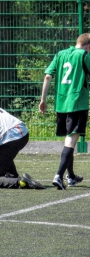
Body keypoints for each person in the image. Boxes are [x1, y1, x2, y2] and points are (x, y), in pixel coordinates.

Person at [39, 33, 90, 190]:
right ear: (88, 46)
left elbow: (48, 77)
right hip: (77, 103)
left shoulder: (60, 54)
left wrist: (43, 100)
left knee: (69, 140)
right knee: (71, 141)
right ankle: (59, 176)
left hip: (61, 104)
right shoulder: (84, 55)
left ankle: (71, 176)